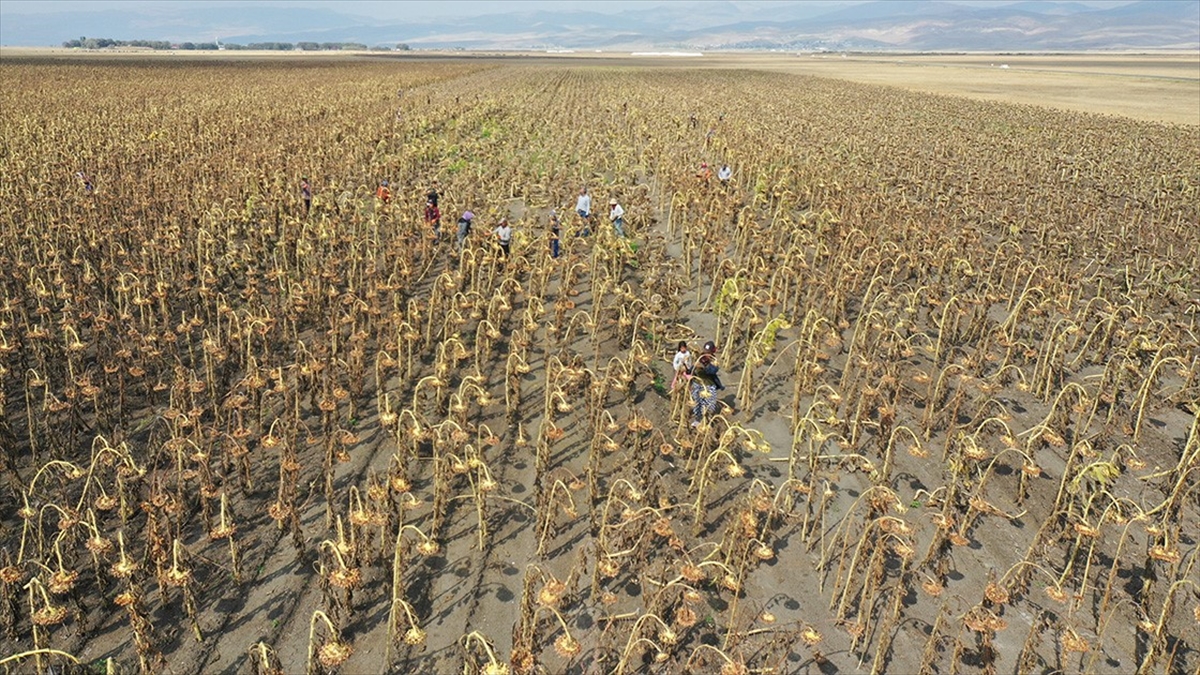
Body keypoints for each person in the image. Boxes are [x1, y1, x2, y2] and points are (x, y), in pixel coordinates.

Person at [690, 341, 725, 426]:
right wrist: (691, 368)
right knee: (697, 402)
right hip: (698, 382)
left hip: (708, 385)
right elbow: (691, 369)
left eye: (708, 352)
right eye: (705, 352)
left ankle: (708, 421)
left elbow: (712, 371)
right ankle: (697, 420)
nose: (706, 354)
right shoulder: (699, 357)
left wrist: (704, 367)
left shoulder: (714, 361)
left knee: (709, 404)